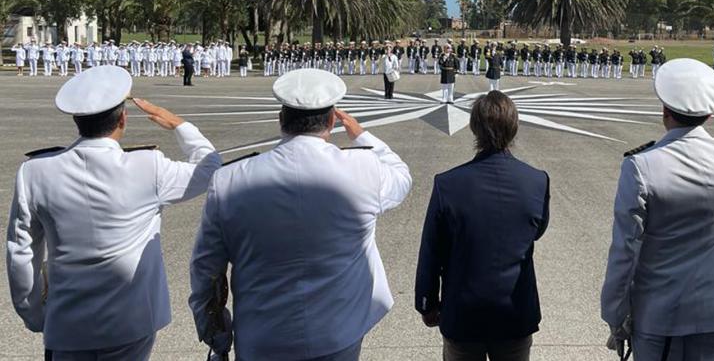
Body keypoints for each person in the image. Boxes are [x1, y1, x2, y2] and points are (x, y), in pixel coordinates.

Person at [189, 69, 411, 360]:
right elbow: (402, 177)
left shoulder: (229, 180)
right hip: (339, 334)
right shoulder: (365, 169)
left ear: (281, 119)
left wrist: (216, 337)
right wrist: (361, 135)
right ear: (332, 120)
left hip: (262, 338)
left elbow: (206, 271)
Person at [7, 66, 221, 361]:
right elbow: (209, 168)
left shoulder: (35, 172)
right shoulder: (149, 167)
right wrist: (178, 124)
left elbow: (21, 252)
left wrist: (34, 314)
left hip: (67, 322)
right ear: (123, 118)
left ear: (76, 120)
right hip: (131, 322)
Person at [601, 59, 714, 361]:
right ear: (710, 113)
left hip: (659, 312)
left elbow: (625, 248)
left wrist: (615, 312)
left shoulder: (641, 165)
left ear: (665, 110)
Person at [416, 91, 549, 361]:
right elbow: (537, 230)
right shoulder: (537, 181)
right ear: (514, 127)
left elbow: (432, 250)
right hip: (514, 311)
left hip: (463, 313)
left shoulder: (447, 183)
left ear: (474, 128)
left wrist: (427, 303)